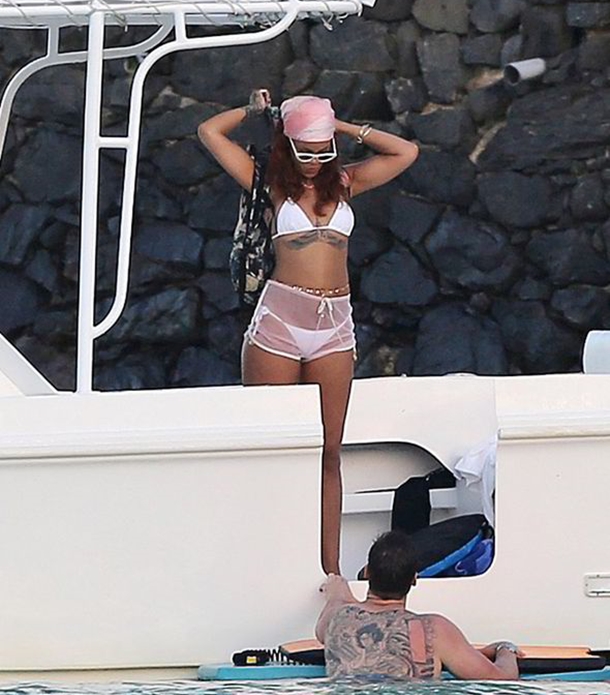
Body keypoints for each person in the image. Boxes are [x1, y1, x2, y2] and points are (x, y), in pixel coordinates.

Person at [198, 90, 419, 575]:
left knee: (329, 453)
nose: (316, 161)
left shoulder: (345, 182)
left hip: (334, 324)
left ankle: (329, 571)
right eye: (306, 151)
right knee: (272, 451)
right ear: (288, 145)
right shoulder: (267, 182)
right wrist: (257, 112)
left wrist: (339, 126)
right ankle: (267, 563)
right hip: (280, 320)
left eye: (323, 151)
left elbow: (406, 152)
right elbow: (210, 132)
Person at [316, 531, 522, 679]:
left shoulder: (337, 619)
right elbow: (503, 678)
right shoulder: (435, 630)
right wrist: (506, 649)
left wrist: (337, 589)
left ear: (367, 572)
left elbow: (338, 601)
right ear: (414, 579)